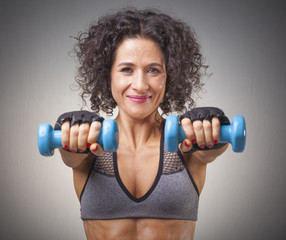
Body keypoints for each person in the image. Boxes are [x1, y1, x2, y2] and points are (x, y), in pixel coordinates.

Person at [54, 8, 229, 240]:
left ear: (170, 75)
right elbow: (70, 156)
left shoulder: (187, 142)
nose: (140, 85)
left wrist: (212, 127)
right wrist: (69, 135)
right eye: (127, 69)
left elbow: (212, 150)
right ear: (108, 75)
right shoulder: (89, 144)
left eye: (153, 70)